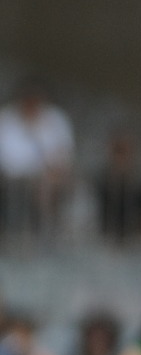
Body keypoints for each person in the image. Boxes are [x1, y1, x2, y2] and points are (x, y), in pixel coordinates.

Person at [0, 80, 74, 238]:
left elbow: (63, 153)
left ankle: (42, 234)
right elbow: (6, 157)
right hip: (11, 178)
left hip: (46, 177)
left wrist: (53, 171)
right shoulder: (6, 119)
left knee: (49, 186)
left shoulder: (56, 119)